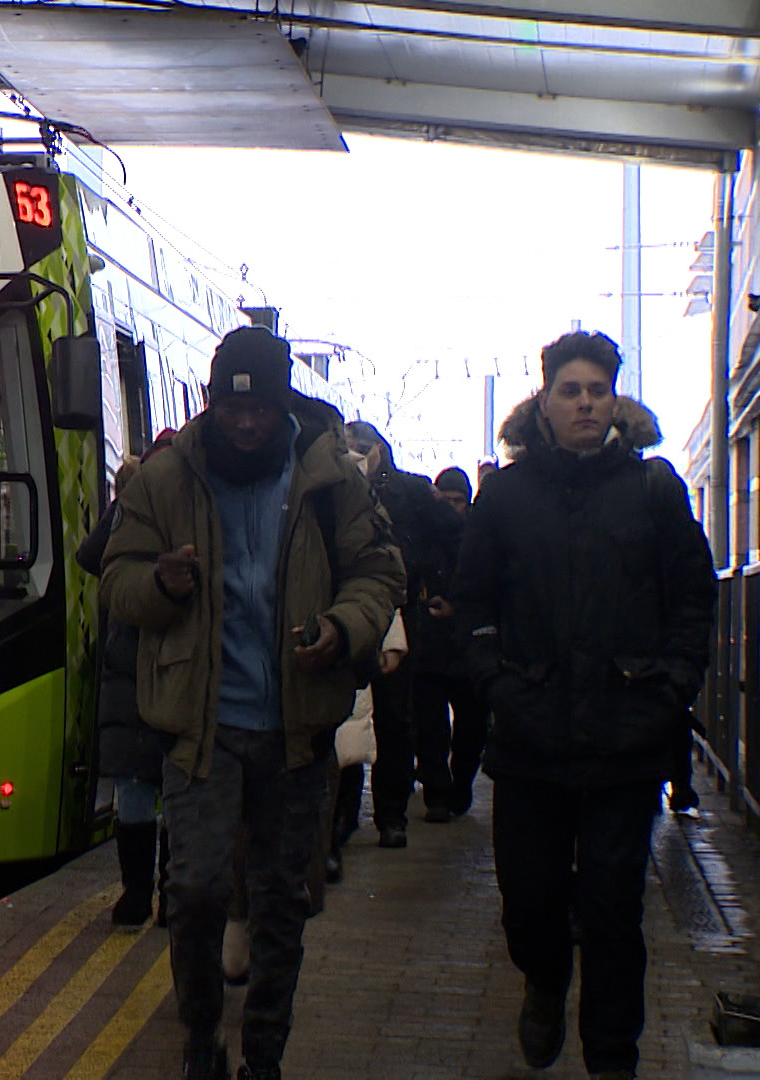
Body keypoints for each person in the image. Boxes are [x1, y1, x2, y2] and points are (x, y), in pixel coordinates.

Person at [101, 326, 403, 1080]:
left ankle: (264, 1052)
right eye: (231, 409)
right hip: (199, 727)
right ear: (209, 402)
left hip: (296, 729)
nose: (245, 425)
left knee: (279, 902)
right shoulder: (164, 478)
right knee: (197, 890)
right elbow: (115, 578)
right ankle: (201, 1037)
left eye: (260, 410)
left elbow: (377, 573)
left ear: (282, 405)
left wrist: (341, 627)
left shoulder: (331, 478)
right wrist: (159, 585)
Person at [452, 331, 716, 1079]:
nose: (585, 403)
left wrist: (669, 689)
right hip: (530, 741)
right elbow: (472, 605)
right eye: (571, 390)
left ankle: (612, 1058)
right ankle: (542, 978)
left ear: (615, 401)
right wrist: (498, 684)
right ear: (545, 401)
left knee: (612, 913)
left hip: (626, 740)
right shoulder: (504, 496)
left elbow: (694, 599)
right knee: (529, 905)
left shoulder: (653, 491)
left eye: (598, 390)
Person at [336, 420, 463, 851]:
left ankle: (391, 815)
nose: (356, 453)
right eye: (349, 446)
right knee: (346, 716)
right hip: (349, 610)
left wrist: (435, 582)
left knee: (395, 715)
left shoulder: (409, 491)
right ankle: (343, 821)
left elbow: (456, 532)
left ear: (380, 450)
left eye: (363, 446)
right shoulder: (333, 485)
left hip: (398, 612)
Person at [77, 442, 175, 927]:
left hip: (133, 664)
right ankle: (164, 896)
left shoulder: (136, 513)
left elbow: (89, 555)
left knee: (140, 785)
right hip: (160, 665)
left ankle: (138, 894)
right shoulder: (187, 512)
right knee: (169, 783)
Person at [414, 465, 487, 820]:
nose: (451, 508)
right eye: (445, 500)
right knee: (430, 726)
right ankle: (438, 795)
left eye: (457, 501)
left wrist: (457, 609)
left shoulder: (479, 536)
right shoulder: (425, 534)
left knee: (471, 727)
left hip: (465, 647)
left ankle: (459, 786)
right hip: (430, 645)